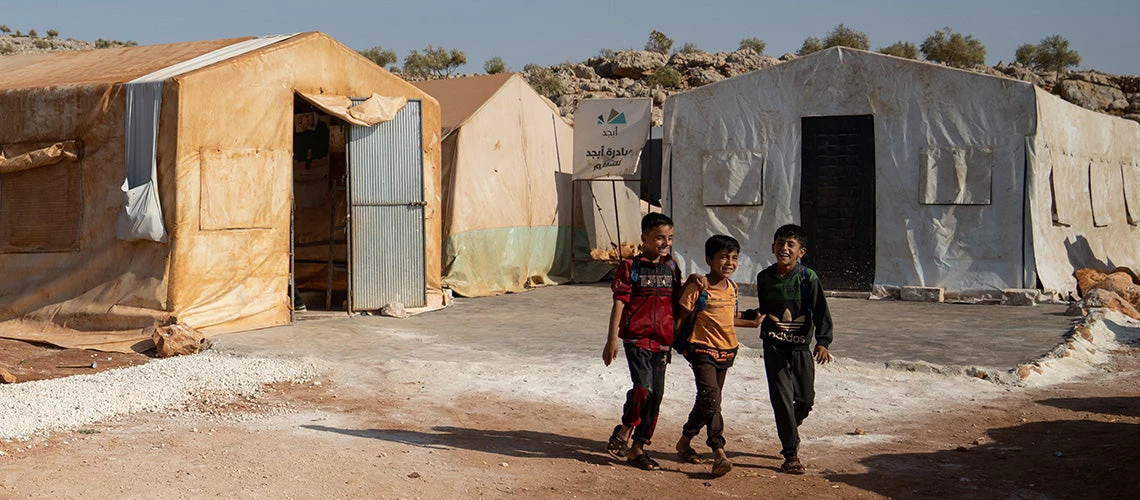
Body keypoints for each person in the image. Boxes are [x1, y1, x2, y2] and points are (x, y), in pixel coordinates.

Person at [673, 235, 760, 477]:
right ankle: (719, 450)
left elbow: (727, 318)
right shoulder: (698, 286)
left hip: (726, 351)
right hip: (701, 350)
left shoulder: (732, 287)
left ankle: (684, 441)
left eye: (734, 258)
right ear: (709, 259)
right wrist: (668, 347)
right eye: (723, 257)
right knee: (712, 399)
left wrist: (751, 323)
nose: (729, 263)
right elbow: (680, 318)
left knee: (707, 401)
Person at [602, 213, 682, 471]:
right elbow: (620, 302)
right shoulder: (630, 266)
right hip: (637, 339)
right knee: (643, 389)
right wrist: (611, 338)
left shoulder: (672, 267)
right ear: (644, 238)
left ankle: (638, 448)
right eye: (659, 237)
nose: (665, 243)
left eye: (669, 238)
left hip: (662, 343)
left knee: (656, 395)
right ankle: (625, 427)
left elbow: (678, 303)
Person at [754, 224, 833, 475]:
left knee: (805, 399)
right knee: (781, 400)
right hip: (775, 347)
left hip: (800, 348)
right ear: (772, 247)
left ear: (801, 251)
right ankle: (790, 454)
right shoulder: (764, 277)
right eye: (780, 243)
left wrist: (823, 341)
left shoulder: (807, 278)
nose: (784, 248)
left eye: (791, 244)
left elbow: (820, 310)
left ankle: (790, 425)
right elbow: (763, 310)